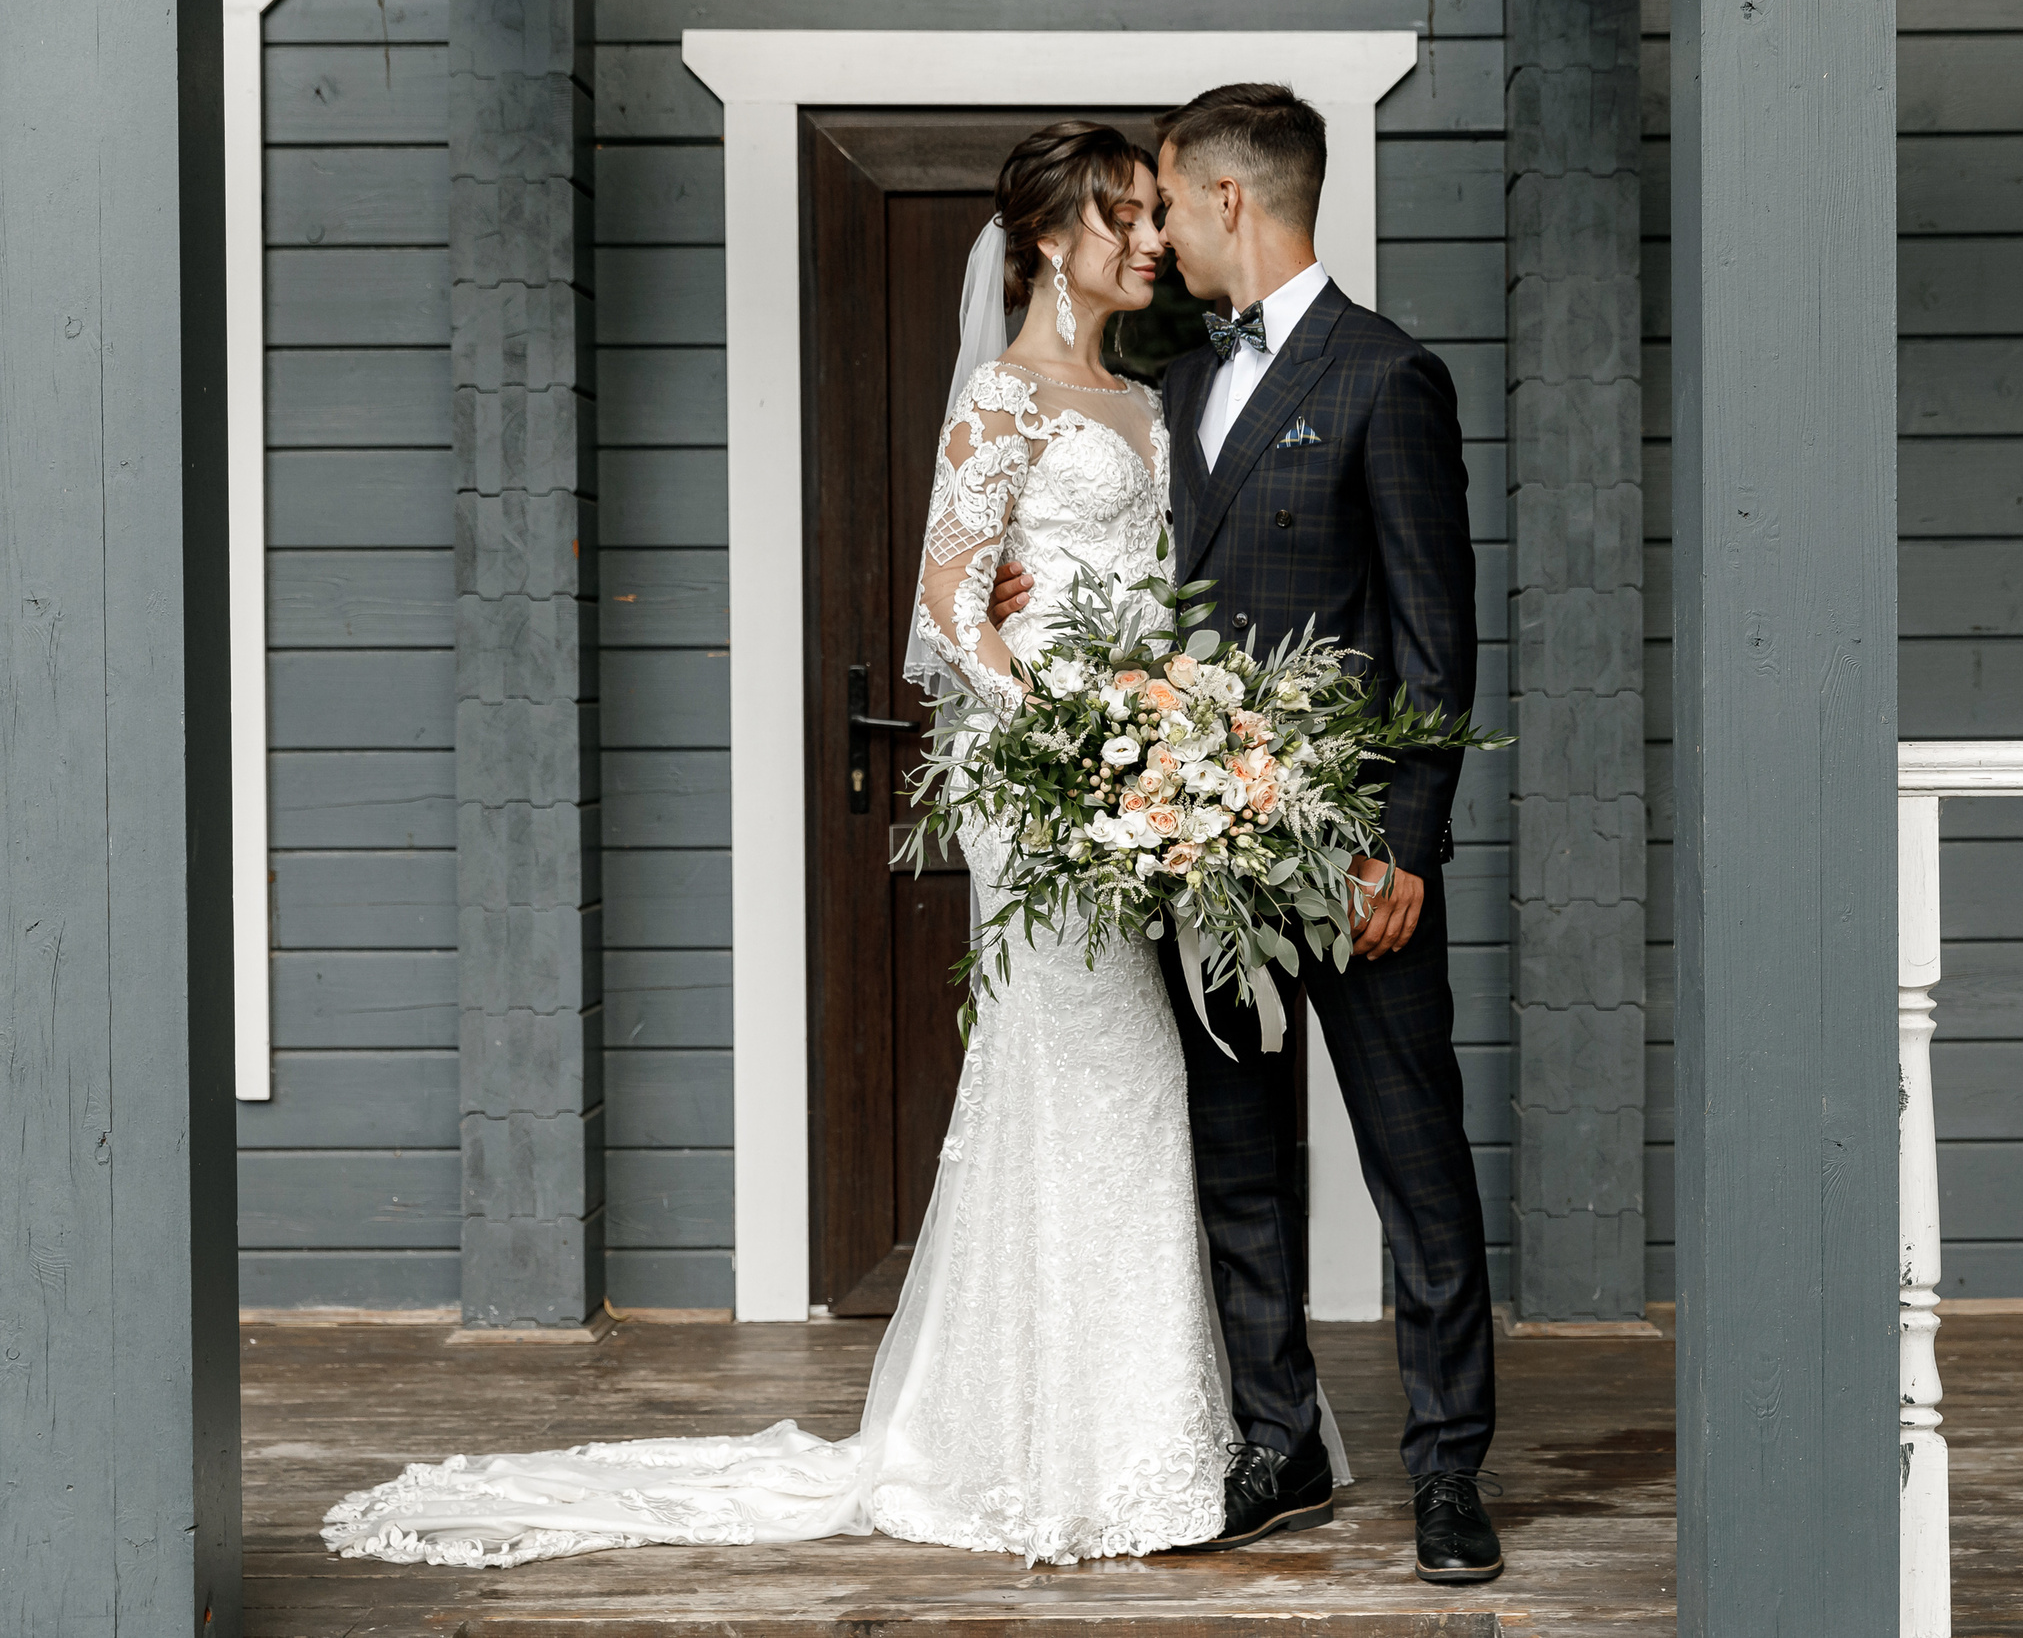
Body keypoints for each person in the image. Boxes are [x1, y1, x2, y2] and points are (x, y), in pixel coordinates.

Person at [319, 121, 1342, 1569]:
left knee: (1136, 1084)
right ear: (1049, 239)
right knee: (1073, 1069)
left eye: (1149, 217)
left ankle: (1144, 1428)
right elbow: (948, 614)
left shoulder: (1147, 403)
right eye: (1119, 218)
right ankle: (1038, 1445)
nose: (1147, 241)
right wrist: (1066, 739)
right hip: (1046, 794)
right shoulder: (1003, 401)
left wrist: (1165, 739)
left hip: (1141, 794)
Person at [986, 83, 1500, 1586]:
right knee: (1237, 1166)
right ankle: (1277, 1442)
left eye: (1163, 202)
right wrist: (1046, 616)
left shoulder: (1387, 374)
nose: (1152, 230)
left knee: (1417, 1168)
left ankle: (1449, 1474)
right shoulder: (1177, 379)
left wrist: (1404, 845)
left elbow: (1435, 641)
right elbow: (1147, 585)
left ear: (1226, 202)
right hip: (1199, 847)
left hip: (1350, 863)